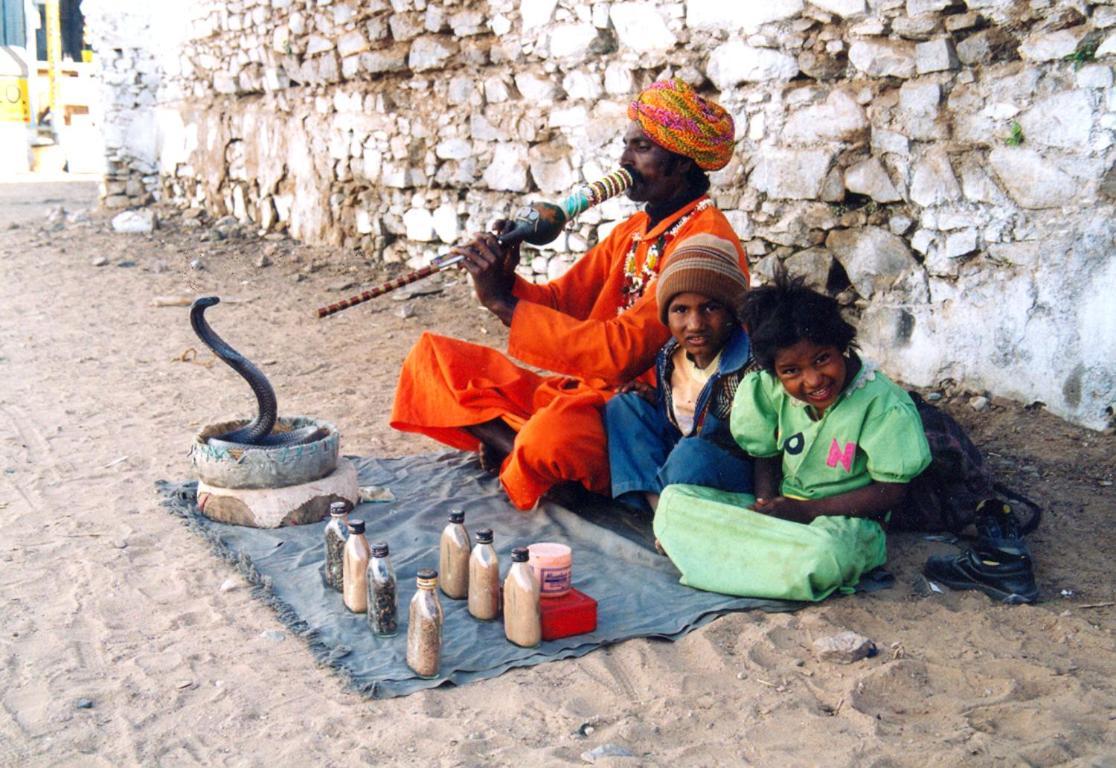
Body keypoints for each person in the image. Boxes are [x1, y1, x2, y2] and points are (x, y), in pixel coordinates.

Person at [390, 80, 747, 510]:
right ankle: (517, 449)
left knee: (552, 436)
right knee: (431, 360)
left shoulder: (703, 240)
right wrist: (505, 283)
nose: (624, 161)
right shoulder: (632, 231)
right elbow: (562, 303)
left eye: (641, 148)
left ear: (683, 163)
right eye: (626, 146)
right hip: (581, 392)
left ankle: (527, 452)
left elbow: (623, 352)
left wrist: (504, 307)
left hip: (637, 416)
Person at [652, 272, 932, 601]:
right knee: (674, 502)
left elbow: (892, 491)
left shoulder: (882, 404)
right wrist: (768, 508)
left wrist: (807, 511)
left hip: (848, 524)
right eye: (791, 371)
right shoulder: (768, 389)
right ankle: (759, 560)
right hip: (790, 514)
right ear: (774, 371)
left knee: (824, 554)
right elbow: (765, 455)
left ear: (841, 347)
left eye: (822, 359)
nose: (813, 380)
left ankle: (719, 559)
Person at [605, 233, 754, 514]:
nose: (695, 324)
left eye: (710, 308)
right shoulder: (670, 355)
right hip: (683, 455)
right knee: (624, 407)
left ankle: (674, 514)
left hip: (726, 466)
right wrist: (654, 401)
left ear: (733, 313)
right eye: (681, 310)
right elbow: (682, 415)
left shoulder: (749, 363)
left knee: (692, 453)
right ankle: (661, 508)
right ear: (667, 316)